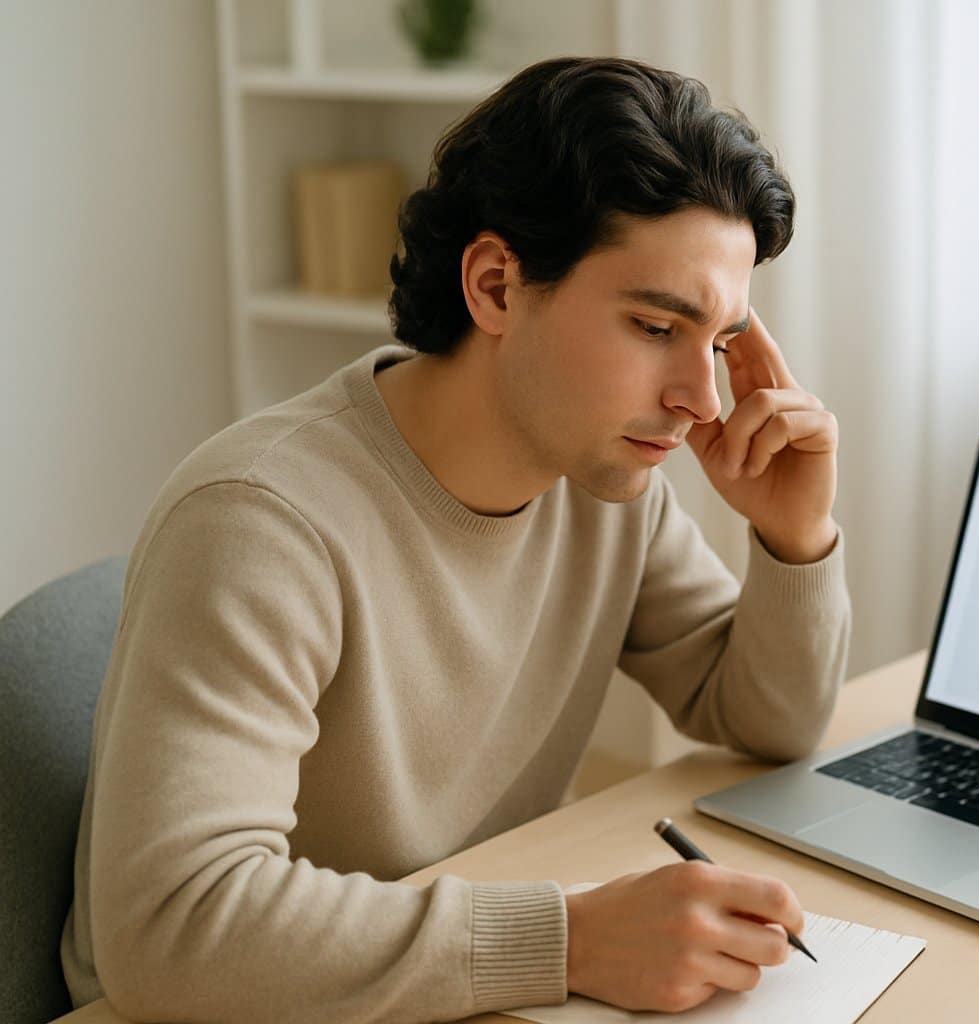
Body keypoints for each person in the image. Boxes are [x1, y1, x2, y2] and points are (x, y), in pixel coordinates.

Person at [60, 56, 850, 1021]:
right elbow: (172, 930)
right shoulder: (260, 524)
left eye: (719, 342)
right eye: (654, 326)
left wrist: (794, 538)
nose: (703, 400)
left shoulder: (606, 483)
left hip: (440, 988)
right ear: (495, 285)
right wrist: (573, 939)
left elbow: (769, 720)